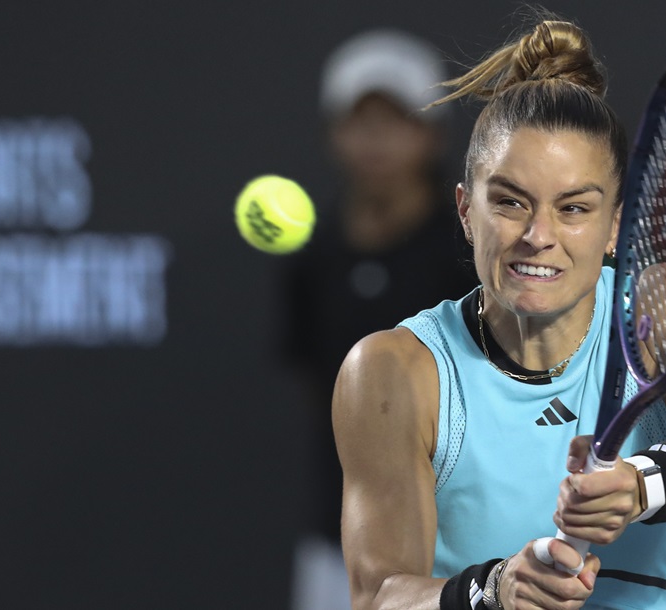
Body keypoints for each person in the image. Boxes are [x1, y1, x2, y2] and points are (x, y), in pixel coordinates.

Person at [332, 16, 666, 610]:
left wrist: (639, 484)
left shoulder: (658, 308)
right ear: (466, 212)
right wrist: (493, 590)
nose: (538, 236)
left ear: (615, 227)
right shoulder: (395, 369)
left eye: (573, 208)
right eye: (510, 202)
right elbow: (379, 595)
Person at [285, 28, 478, 610]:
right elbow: (313, 382)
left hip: (457, 540)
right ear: (334, 135)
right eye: (361, 123)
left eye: (396, 122)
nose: (377, 141)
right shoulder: (313, 255)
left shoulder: (469, 251)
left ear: (431, 135)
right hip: (336, 539)